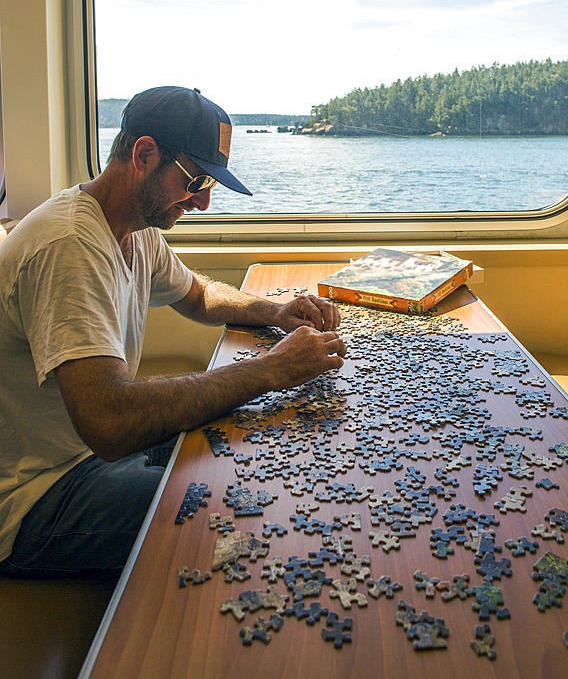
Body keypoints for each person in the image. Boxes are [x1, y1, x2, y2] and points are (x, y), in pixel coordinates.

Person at [0, 86, 346, 577]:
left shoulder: (133, 227)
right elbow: (109, 423)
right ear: (144, 154)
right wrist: (271, 370)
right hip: (34, 496)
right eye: (197, 180)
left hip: (91, 455)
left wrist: (276, 310)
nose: (203, 203)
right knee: (232, 506)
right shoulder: (68, 246)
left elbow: (199, 295)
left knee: (245, 454)